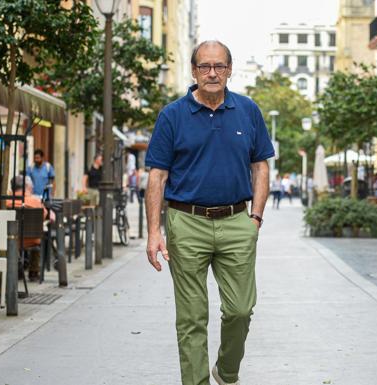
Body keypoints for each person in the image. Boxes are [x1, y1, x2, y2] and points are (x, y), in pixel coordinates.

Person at [145, 40, 274, 385]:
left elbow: (260, 166)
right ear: (194, 71)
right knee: (191, 317)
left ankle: (227, 370)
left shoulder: (248, 111)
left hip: (237, 221)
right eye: (205, 66)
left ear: (230, 70)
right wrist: (154, 232)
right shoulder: (172, 115)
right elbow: (157, 176)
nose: (212, 73)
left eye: (219, 66)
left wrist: (256, 218)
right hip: (186, 222)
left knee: (240, 310)